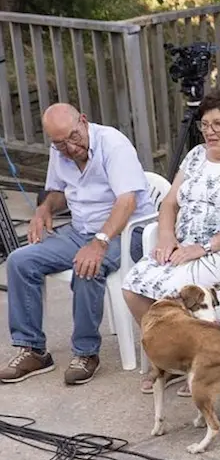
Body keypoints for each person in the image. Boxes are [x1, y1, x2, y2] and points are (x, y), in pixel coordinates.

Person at [121, 88, 220, 395]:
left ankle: (202, 361)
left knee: (175, 292)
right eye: (205, 125)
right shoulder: (194, 157)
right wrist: (166, 236)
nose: (209, 132)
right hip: (183, 246)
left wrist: (207, 246)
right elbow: (169, 204)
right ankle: (171, 359)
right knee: (132, 285)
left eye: (218, 124)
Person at [1, 104, 153, 386]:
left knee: (87, 265)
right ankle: (33, 350)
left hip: (127, 231)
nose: (70, 147)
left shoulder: (113, 144)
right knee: (20, 261)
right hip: (81, 229)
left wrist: (99, 242)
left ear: (83, 121)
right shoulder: (59, 150)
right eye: (60, 143)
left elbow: (127, 202)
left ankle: (86, 353)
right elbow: (58, 192)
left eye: (73, 137)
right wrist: (45, 209)